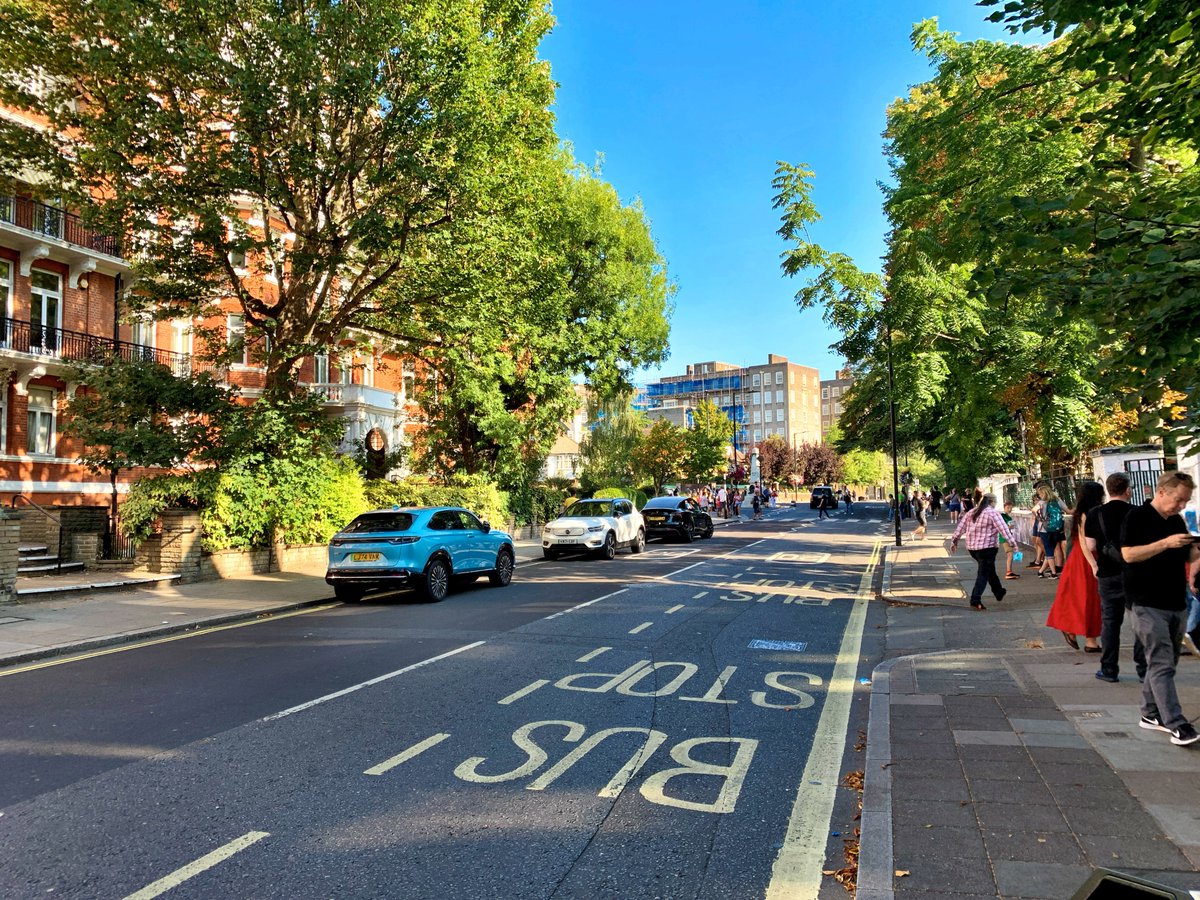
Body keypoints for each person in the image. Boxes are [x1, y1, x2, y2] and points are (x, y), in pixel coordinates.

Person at [1121, 471, 1200, 746]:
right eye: (1178, 499)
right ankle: (1176, 723)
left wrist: (1194, 548)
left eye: (1186, 501)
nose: (1182, 505)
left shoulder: (1176, 521)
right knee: (1161, 662)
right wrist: (1165, 543)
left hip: (1175, 600)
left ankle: (1150, 713)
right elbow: (1128, 554)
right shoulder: (1136, 517)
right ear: (1162, 491)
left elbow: (1186, 555)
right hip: (1145, 601)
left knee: (1165, 662)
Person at [1084, 472, 1146, 683]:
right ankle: (1143, 669)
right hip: (1135, 573)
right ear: (1127, 490)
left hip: (1108, 573)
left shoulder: (1095, 513)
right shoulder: (1138, 512)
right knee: (1139, 620)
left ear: (1108, 490)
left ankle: (1109, 669)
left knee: (1110, 622)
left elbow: (1091, 545)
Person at [1045, 481, 1104, 652]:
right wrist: (1093, 564)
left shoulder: (1084, 512)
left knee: (1089, 598)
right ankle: (1086, 637)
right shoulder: (1086, 514)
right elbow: (1085, 543)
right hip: (1085, 559)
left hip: (1081, 558)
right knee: (1086, 598)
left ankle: (1088, 639)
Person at [950, 493, 1017, 610]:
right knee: (983, 573)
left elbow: (961, 527)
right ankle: (975, 599)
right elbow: (1004, 529)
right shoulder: (993, 513)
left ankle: (998, 591)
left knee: (989, 569)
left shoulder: (972, 512)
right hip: (988, 548)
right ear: (992, 502)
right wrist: (1013, 544)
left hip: (972, 548)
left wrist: (954, 540)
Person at [1037, 487, 1066, 578]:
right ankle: (1041, 572)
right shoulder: (1058, 500)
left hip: (1044, 529)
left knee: (1049, 551)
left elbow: (1033, 510)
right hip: (1056, 529)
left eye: (1040, 494)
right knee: (1051, 550)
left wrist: (1040, 519)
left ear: (1044, 493)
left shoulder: (1042, 502)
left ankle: (1053, 573)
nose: (1039, 496)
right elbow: (1068, 511)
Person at [999, 499, 1019, 579]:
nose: (1009, 509)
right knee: (1010, 554)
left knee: (1010, 554)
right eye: (1008, 508)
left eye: (1011, 508)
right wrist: (1009, 527)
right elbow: (1002, 527)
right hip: (1005, 538)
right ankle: (1008, 572)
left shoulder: (1009, 516)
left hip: (1009, 537)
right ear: (1004, 508)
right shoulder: (1002, 516)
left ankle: (1009, 571)